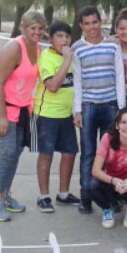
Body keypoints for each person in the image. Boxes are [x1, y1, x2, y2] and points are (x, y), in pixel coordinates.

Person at [0, 10, 46, 222]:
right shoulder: (13, 48)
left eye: (40, 28)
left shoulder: (36, 48)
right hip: (2, 107)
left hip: (22, 109)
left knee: (15, 153)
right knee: (7, 153)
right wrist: (2, 117)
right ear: (23, 28)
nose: (37, 32)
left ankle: (6, 196)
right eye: (32, 28)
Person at [72, 6, 125, 214]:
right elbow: (77, 80)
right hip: (88, 107)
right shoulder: (77, 48)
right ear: (81, 26)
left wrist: (121, 109)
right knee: (88, 154)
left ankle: (109, 198)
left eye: (95, 22)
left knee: (110, 155)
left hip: (111, 106)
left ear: (100, 22)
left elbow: (120, 77)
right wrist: (77, 110)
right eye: (87, 24)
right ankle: (86, 197)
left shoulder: (113, 46)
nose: (92, 27)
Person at [33, 21, 80, 213]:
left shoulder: (70, 56)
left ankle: (63, 193)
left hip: (66, 115)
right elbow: (52, 87)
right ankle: (44, 196)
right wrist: (66, 62)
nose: (65, 40)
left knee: (70, 153)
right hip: (46, 114)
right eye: (60, 36)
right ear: (51, 39)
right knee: (46, 154)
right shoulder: (47, 57)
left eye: (67, 36)